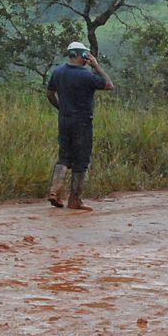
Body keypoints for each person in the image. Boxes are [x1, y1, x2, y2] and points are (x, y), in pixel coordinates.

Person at [45, 41, 115, 211]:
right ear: (81, 55)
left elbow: (50, 93)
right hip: (82, 122)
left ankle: (54, 191)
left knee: (64, 157)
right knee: (81, 160)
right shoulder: (86, 76)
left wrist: (61, 109)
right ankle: (75, 199)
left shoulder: (58, 72)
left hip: (64, 120)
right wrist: (96, 66)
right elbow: (109, 85)